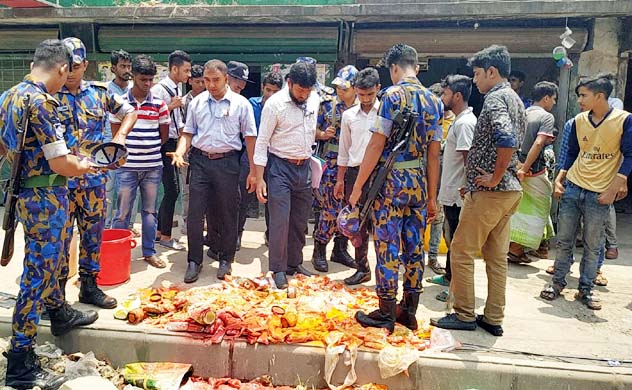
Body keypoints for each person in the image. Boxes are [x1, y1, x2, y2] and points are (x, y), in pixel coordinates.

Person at [0, 39, 97, 389]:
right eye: (66, 73)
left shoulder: (8, 96)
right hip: (46, 198)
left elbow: (1, 147)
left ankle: (59, 312)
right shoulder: (42, 103)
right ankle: (21, 360)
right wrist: (85, 166)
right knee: (37, 275)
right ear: (60, 68)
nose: (65, 80)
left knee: (52, 263)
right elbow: (60, 162)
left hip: (26, 195)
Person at [431, 45, 526, 337]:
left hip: (492, 191)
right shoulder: (516, 99)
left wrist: (493, 176)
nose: (474, 81)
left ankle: (464, 314)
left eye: (476, 74)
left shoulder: (496, 100)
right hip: (509, 191)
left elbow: (506, 139)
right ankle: (493, 317)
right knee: (496, 257)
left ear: (491, 72)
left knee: (460, 251)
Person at [350, 44, 443, 333]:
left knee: (387, 247)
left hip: (390, 185)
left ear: (393, 68)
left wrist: (357, 189)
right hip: (418, 184)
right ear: (416, 66)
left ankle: (386, 311)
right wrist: (432, 198)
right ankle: (410, 309)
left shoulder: (391, 96)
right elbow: (434, 153)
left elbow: (377, 144)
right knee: (414, 247)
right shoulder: (434, 102)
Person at [54, 37, 137, 310]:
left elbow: (130, 112)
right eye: (65, 66)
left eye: (75, 66)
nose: (70, 71)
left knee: (93, 235)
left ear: (85, 65)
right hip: (60, 182)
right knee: (60, 239)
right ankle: (56, 297)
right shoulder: (49, 96)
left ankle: (89, 287)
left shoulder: (99, 93)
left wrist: (120, 139)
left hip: (94, 179)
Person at [541, 74, 631, 310]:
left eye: (583, 95)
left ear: (600, 96)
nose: (579, 100)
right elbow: (570, 153)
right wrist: (560, 179)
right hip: (574, 186)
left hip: (599, 192)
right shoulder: (579, 120)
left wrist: (615, 187)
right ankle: (557, 283)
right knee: (563, 241)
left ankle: (586, 289)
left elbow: (630, 155)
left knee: (593, 245)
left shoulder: (624, 120)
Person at [170, 60, 257, 283]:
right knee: (195, 213)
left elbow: (250, 139)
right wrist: (180, 152)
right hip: (200, 162)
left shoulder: (241, 104)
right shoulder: (197, 103)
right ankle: (194, 261)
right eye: (207, 80)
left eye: (215, 80)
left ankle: (226, 259)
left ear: (226, 79)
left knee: (229, 212)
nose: (210, 85)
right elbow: (188, 133)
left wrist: (254, 171)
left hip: (228, 163)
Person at [253, 61, 320, 289]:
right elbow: (261, 142)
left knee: (300, 221)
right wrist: (260, 177)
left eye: (307, 90)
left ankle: (294, 263)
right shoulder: (274, 105)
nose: (303, 95)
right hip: (279, 167)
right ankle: (278, 269)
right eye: (300, 90)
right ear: (289, 83)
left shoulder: (314, 99)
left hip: (304, 167)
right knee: (280, 220)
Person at [112, 55, 170, 269]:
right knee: (122, 214)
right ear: (133, 77)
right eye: (143, 80)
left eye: (150, 80)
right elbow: (116, 135)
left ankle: (149, 252)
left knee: (149, 212)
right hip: (126, 167)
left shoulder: (159, 105)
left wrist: (148, 146)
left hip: (153, 166)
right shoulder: (119, 104)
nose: (148, 84)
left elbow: (163, 135)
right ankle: (119, 251)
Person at [427, 75, 476, 302]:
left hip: (458, 194)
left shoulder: (465, 123)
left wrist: (466, 187)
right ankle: (449, 277)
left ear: (457, 96)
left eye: (445, 94)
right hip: (451, 192)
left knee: (456, 242)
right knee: (451, 237)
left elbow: (468, 159)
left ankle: (456, 289)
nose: (442, 97)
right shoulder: (459, 120)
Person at [311, 65, 359, 273]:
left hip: (354, 165)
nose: (340, 91)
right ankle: (319, 249)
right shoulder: (327, 106)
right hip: (331, 166)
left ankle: (340, 249)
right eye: (338, 87)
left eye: (345, 88)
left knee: (349, 209)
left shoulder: (364, 107)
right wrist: (322, 134)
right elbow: (309, 129)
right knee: (330, 210)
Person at [335, 67, 381, 285]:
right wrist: (340, 180)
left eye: (370, 95)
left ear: (378, 89)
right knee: (357, 223)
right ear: (355, 91)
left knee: (382, 222)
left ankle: (385, 270)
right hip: (354, 172)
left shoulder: (385, 114)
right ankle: (362, 268)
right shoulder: (348, 116)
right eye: (361, 95)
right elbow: (344, 150)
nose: (365, 99)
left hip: (380, 174)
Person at [206, 60, 255, 256]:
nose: (239, 91)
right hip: (210, 160)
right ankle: (214, 242)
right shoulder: (207, 100)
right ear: (228, 80)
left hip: (237, 158)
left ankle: (232, 239)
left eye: (242, 88)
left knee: (235, 202)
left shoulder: (243, 104)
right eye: (237, 87)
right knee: (213, 203)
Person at [507, 81, 558, 264]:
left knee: (519, 209)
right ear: (546, 98)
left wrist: (517, 165)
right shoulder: (546, 117)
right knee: (540, 208)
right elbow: (538, 143)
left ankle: (520, 247)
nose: (553, 103)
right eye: (553, 99)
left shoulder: (523, 113)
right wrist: (525, 168)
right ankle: (517, 247)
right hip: (533, 171)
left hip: (515, 167)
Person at [151, 50, 191, 251]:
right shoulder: (160, 90)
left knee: (171, 188)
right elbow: (151, 116)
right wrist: (171, 106)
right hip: (163, 144)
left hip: (175, 143)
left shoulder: (176, 89)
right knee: (172, 189)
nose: (188, 75)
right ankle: (165, 236)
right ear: (174, 69)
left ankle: (159, 232)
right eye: (186, 70)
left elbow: (180, 123)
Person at [242, 72, 283, 247]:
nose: (271, 95)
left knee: (271, 199)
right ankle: (237, 234)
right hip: (251, 156)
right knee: (243, 195)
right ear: (262, 88)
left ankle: (270, 235)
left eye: (275, 91)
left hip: (273, 156)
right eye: (268, 90)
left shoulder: (283, 107)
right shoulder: (251, 105)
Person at [105, 49, 136, 232]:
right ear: (113, 68)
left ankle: (129, 225)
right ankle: (107, 226)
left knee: (131, 190)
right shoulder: (105, 91)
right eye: (122, 66)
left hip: (132, 146)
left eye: (128, 66)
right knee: (108, 189)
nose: (126, 70)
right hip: (109, 146)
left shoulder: (135, 89)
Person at [179, 64, 206, 236]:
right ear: (190, 82)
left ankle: (203, 222)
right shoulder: (184, 102)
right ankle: (187, 222)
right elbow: (183, 129)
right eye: (198, 82)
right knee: (187, 190)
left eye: (204, 81)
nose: (202, 85)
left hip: (204, 153)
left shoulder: (209, 100)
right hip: (188, 152)